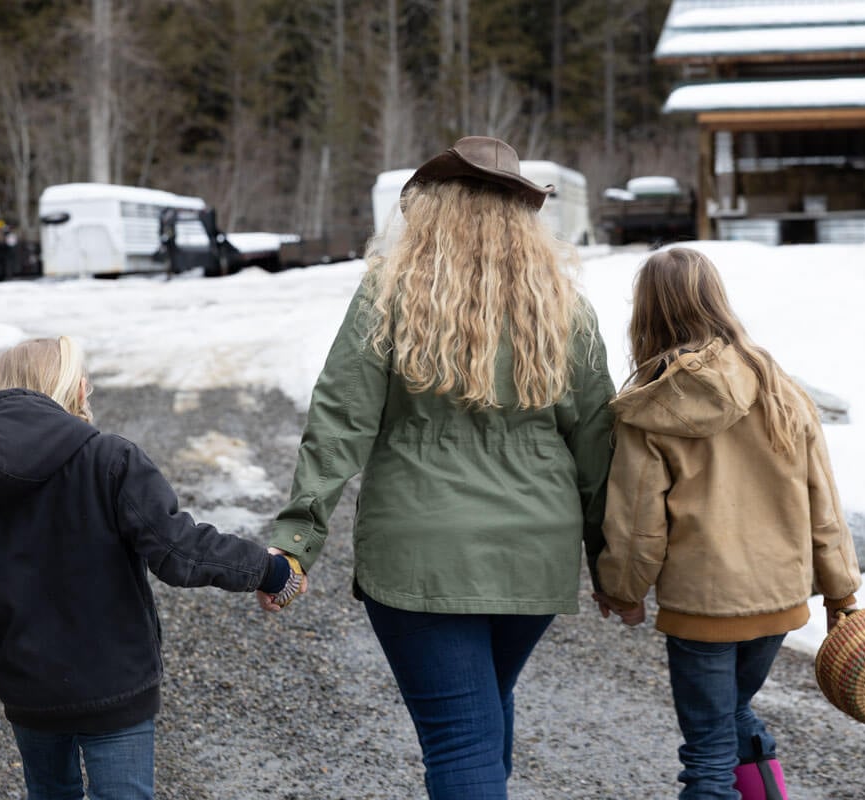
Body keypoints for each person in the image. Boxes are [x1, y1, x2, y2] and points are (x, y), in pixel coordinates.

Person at [261, 135, 615, 799]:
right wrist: (611, 561)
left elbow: (340, 420)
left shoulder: (390, 297)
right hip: (533, 553)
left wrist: (297, 538)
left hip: (419, 554)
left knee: (462, 738)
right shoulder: (563, 309)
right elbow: (599, 443)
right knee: (481, 715)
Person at [0, 335, 303, 798]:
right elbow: (178, 549)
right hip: (116, 685)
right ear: (71, 387)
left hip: (31, 696)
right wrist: (272, 571)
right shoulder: (110, 459)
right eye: (81, 374)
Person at [594, 246, 862, 800]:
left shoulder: (652, 405)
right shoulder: (779, 385)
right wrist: (840, 592)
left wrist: (623, 590)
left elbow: (639, 520)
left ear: (647, 314)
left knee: (708, 756)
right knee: (732, 713)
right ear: (717, 299)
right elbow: (823, 499)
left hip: (703, 609)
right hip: (778, 602)